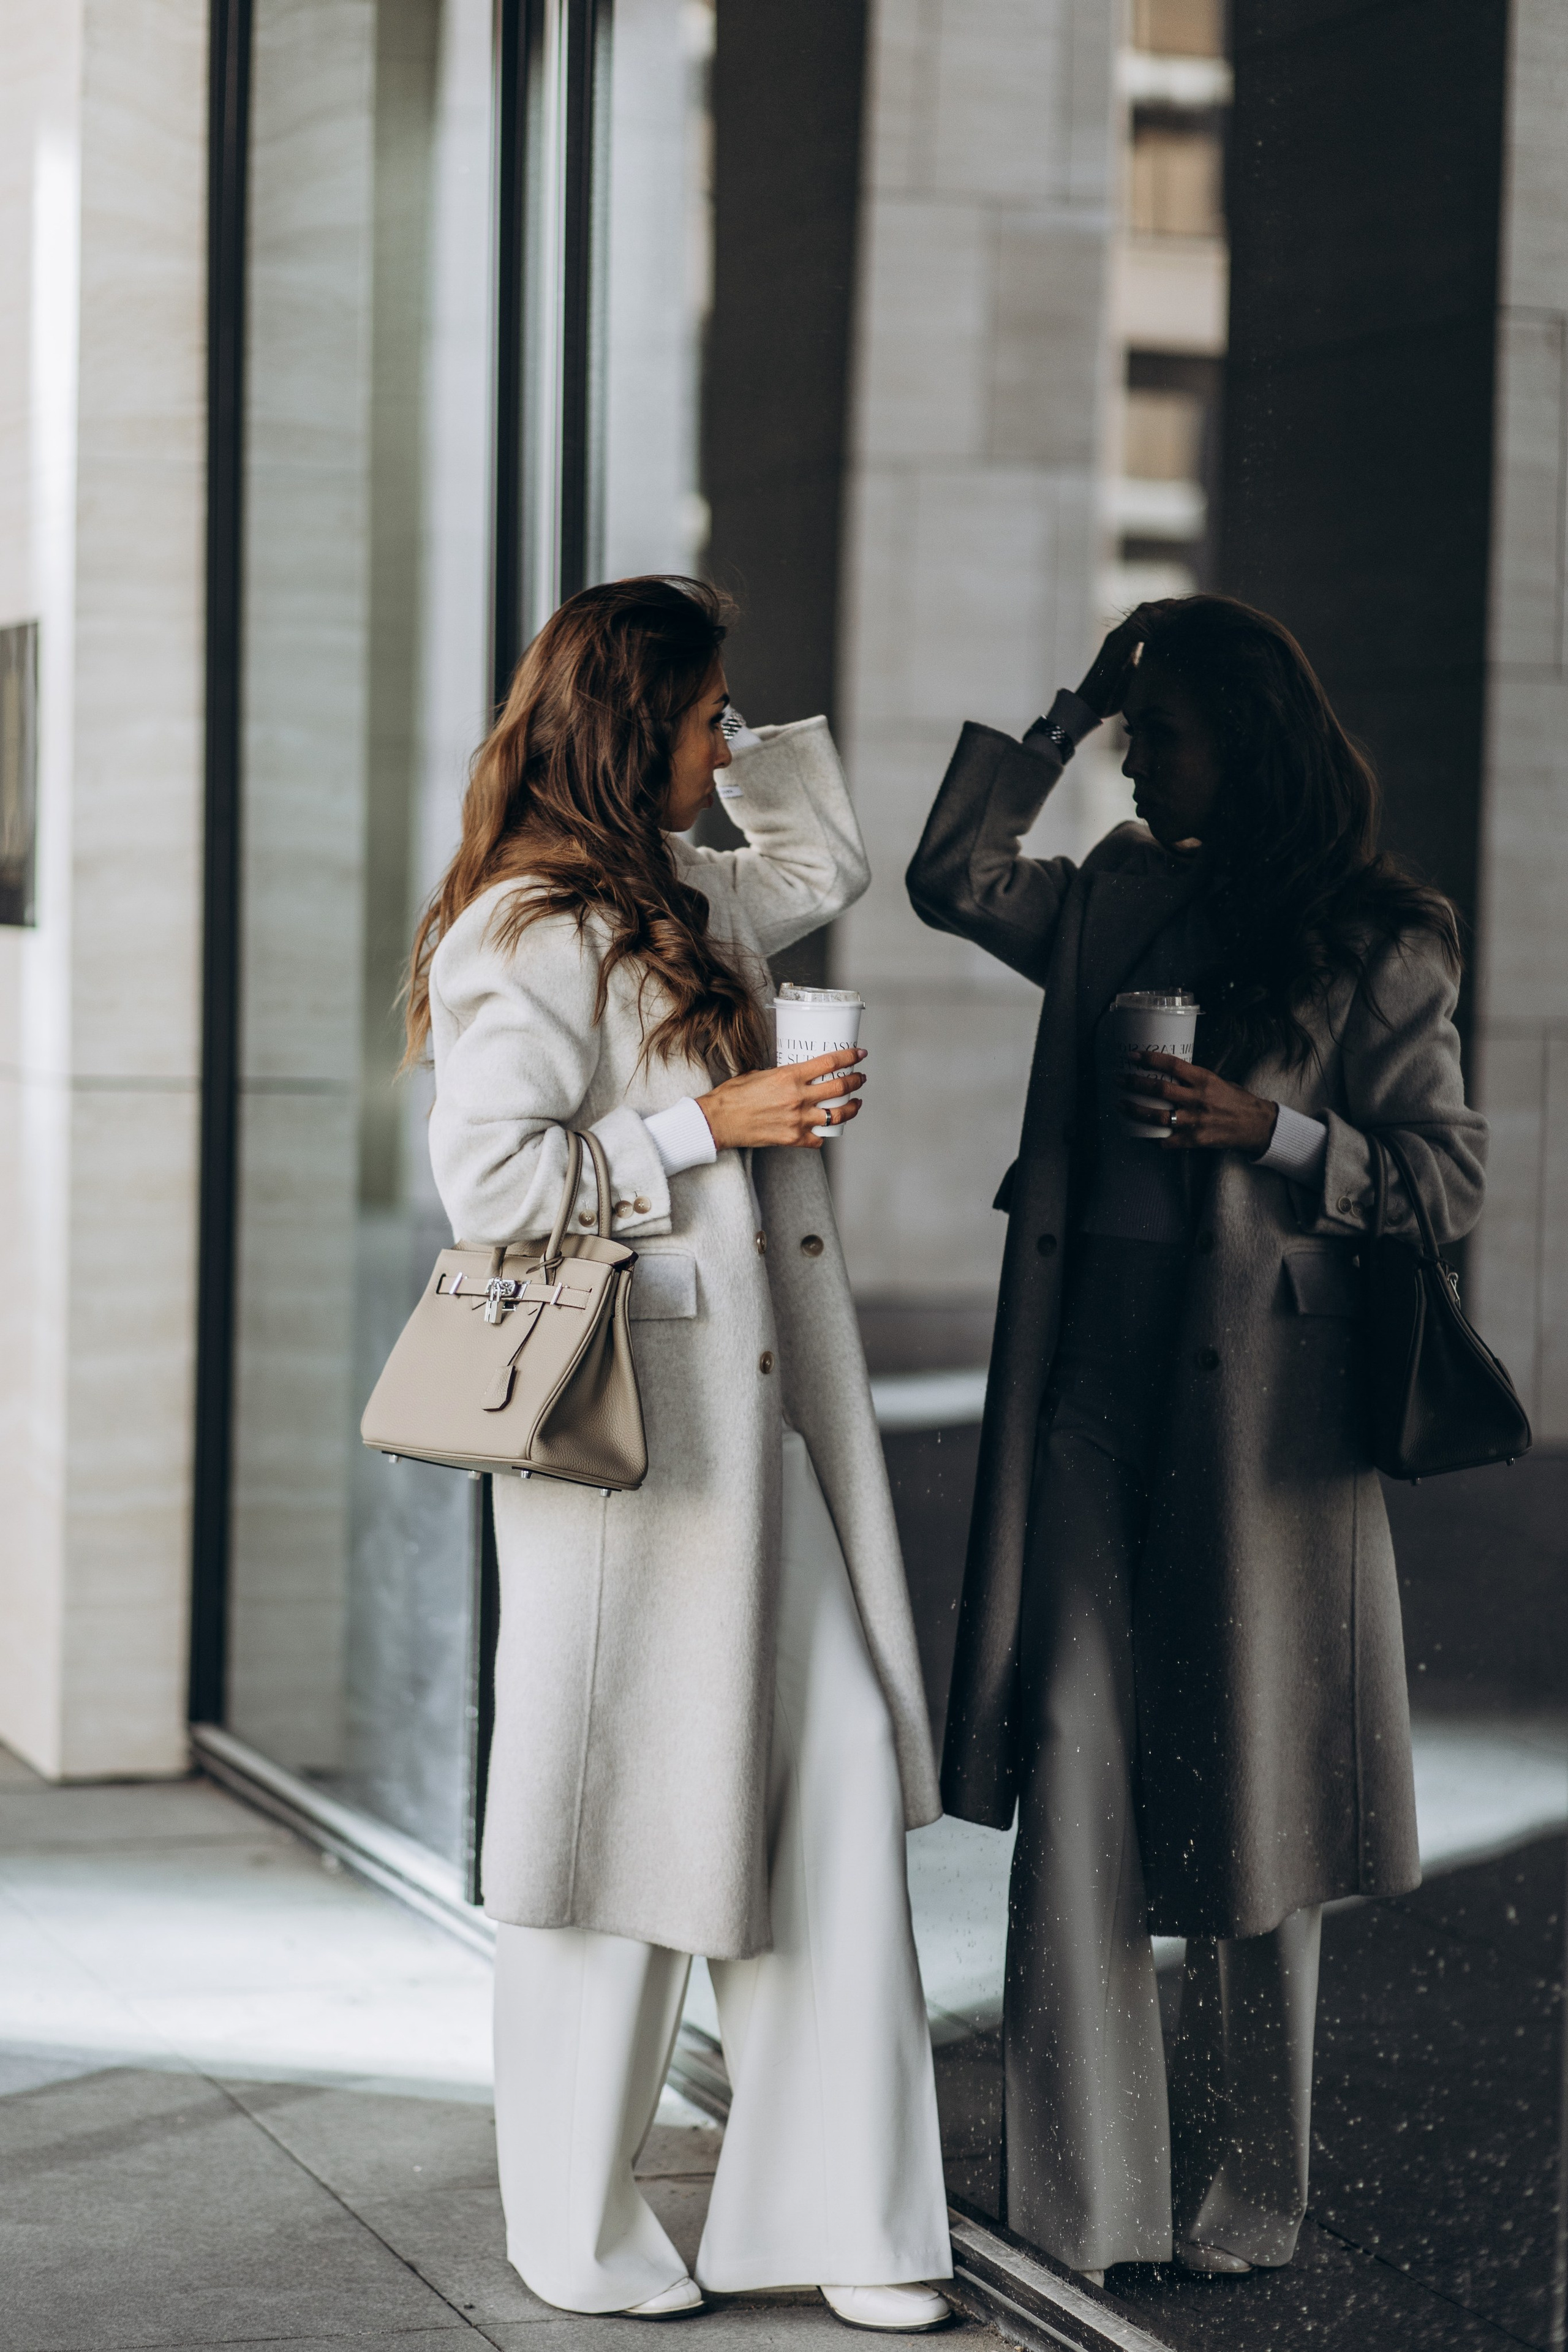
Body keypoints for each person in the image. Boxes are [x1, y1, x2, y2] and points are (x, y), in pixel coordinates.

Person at [906, 594, 1486, 2283]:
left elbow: (1446, 1180)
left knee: (1253, 1785)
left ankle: (1252, 2188)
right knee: (1076, 1756)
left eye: (1160, 733)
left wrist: (1274, 1131)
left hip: (1264, 1422)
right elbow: (955, 877)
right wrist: (1070, 709)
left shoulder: (1382, 934)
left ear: (1250, 740)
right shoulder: (1113, 892)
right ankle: (1082, 2198)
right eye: (1129, 733)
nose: (1138, 761)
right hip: (1090, 1387)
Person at [405, 576, 952, 2327]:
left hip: (753, 1431)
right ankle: (570, 2230)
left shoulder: (688, 891)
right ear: (637, 728)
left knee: (835, 1776)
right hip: (629, 1450)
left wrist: (755, 735)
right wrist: (708, 1125)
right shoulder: (525, 927)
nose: (725, 748)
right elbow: (493, 1186)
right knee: (611, 1838)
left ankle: (844, 2220)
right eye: (710, 718)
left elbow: (821, 865)